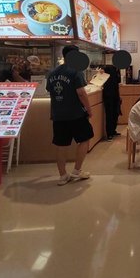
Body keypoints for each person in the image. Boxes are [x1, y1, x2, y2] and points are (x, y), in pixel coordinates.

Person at [46, 44, 94, 185]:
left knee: (61, 145)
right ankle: (76, 171)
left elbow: (51, 92)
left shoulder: (52, 73)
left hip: (58, 115)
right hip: (76, 114)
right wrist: (89, 110)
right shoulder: (76, 71)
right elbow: (81, 93)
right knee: (84, 139)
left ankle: (62, 175)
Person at [102, 64, 121, 140]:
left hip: (115, 93)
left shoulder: (117, 69)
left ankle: (113, 130)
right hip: (108, 94)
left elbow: (118, 81)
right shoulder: (108, 68)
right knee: (109, 113)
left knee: (116, 113)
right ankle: (109, 133)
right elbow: (101, 75)